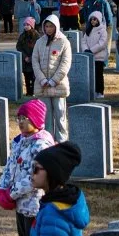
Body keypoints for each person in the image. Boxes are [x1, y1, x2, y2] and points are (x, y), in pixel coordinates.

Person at [0, 98, 55, 236]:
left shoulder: (41, 145)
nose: (21, 122)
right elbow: (10, 167)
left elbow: (33, 178)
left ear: (36, 120)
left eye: (25, 118)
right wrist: (1, 188)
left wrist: (11, 193)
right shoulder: (19, 141)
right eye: (19, 118)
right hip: (21, 205)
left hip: (35, 204)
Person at [32, 14, 71, 142]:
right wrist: (42, 79)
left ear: (56, 27)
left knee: (60, 115)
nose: (48, 29)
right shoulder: (39, 42)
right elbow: (35, 61)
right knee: (45, 117)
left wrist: (54, 80)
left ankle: (62, 142)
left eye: (51, 26)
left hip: (58, 85)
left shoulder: (64, 42)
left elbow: (65, 63)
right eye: (47, 26)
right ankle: (47, 141)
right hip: (42, 85)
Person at [83, 11, 108, 99]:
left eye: (95, 19)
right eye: (91, 19)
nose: (93, 21)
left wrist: (92, 50)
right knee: (90, 75)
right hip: (89, 57)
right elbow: (84, 41)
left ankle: (100, 91)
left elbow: (102, 43)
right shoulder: (88, 30)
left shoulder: (102, 31)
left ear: (99, 20)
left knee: (98, 75)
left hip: (98, 57)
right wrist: (86, 49)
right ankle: (92, 90)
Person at [15, 17, 40, 98]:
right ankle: (28, 92)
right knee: (26, 76)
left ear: (31, 26)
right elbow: (19, 47)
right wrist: (25, 56)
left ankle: (33, 91)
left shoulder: (37, 36)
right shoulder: (22, 35)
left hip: (34, 60)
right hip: (25, 60)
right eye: (24, 25)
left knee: (34, 77)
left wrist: (31, 57)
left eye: (27, 25)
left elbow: (39, 48)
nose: (25, 26)